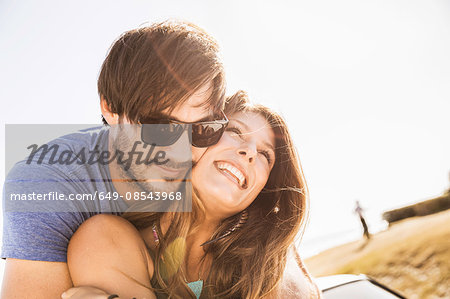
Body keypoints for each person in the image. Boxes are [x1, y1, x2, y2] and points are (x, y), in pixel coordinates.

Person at [1, 20, 226, 299]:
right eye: (162, 127)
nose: (182, 152)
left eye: (201, 129)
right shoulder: (46, 181)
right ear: (110, 108)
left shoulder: (219, 162)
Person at [63, 91, 321, 298]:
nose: (250, 152)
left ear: (264, 189)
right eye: (235, 132)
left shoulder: (267, 262)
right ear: (196, 139)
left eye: (266, 155)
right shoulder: (106, 240)